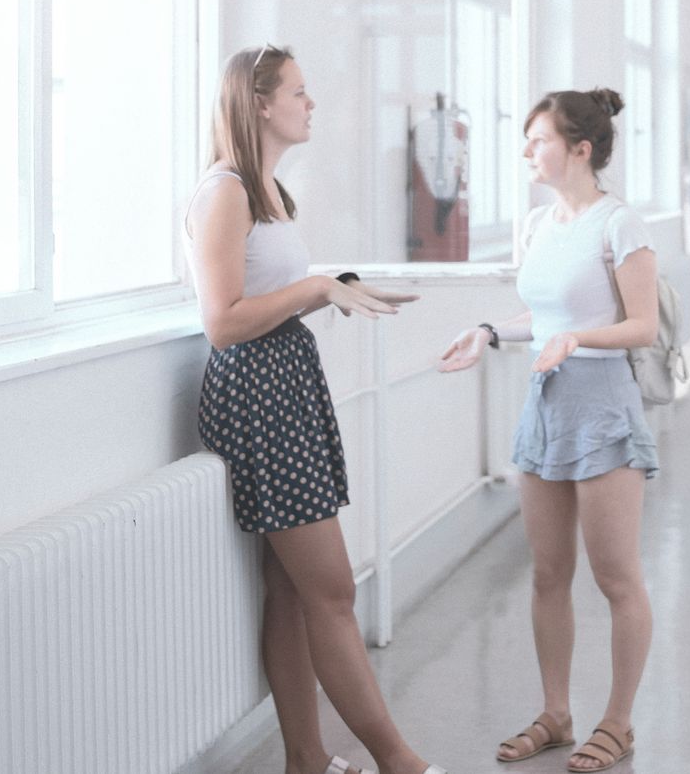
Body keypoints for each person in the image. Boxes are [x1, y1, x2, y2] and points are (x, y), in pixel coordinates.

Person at [185, 44, 451, 774]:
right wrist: (316, 287)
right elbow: (223, 320)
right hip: (259, 396)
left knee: (294, 590)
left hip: (283, 387)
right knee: (331, 590)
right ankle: (400, 761)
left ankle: (306, 759)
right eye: (300, 93)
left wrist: (334, 284)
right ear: (260, 103)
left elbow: (266, 291)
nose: (312, 105)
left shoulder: (267, 190)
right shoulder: (226, 190)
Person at [439, 89, 658, 774]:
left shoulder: (618, 224)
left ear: (580, 149)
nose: (528, 151)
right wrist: (487, 332)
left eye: (539, 140)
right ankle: (556, 712)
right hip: (546, 405)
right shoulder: (538, 225)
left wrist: (573, 339)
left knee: (616, 576)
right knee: (546, 574)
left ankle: (618, 723)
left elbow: (642, 326)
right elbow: (538, 317)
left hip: (602, 407)